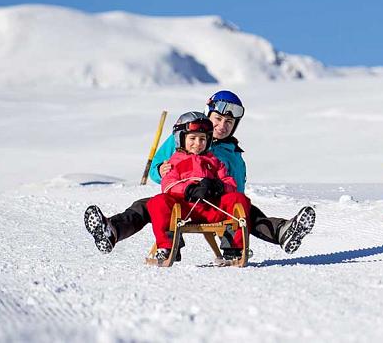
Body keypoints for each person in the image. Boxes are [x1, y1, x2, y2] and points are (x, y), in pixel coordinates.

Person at [84, 91, 315, 257]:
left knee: (249, 211)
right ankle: (111, 230)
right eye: (218, 119)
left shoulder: (233, 153)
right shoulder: (187, 133)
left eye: (229, 122)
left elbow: (236, 189)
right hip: (181, 199)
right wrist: (161, 170)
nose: (222, 126)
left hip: (217, 204)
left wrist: (223, 191)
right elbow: (159, 168)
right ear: (208, 115)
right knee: (145, 205)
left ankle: (284, 232)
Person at [146, 111, 250, 261]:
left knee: (239, 198)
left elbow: (230, 183)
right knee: (158, 202)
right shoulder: (174, 162)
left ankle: (234, 248)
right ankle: (167, 247)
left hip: (212, 208)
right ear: (181, 139)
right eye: (192, 138)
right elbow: (168, 185)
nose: (198, 143)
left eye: (202, 139)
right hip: (183, 210)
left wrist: (218, 186)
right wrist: (188, 189)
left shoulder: (214, 161)